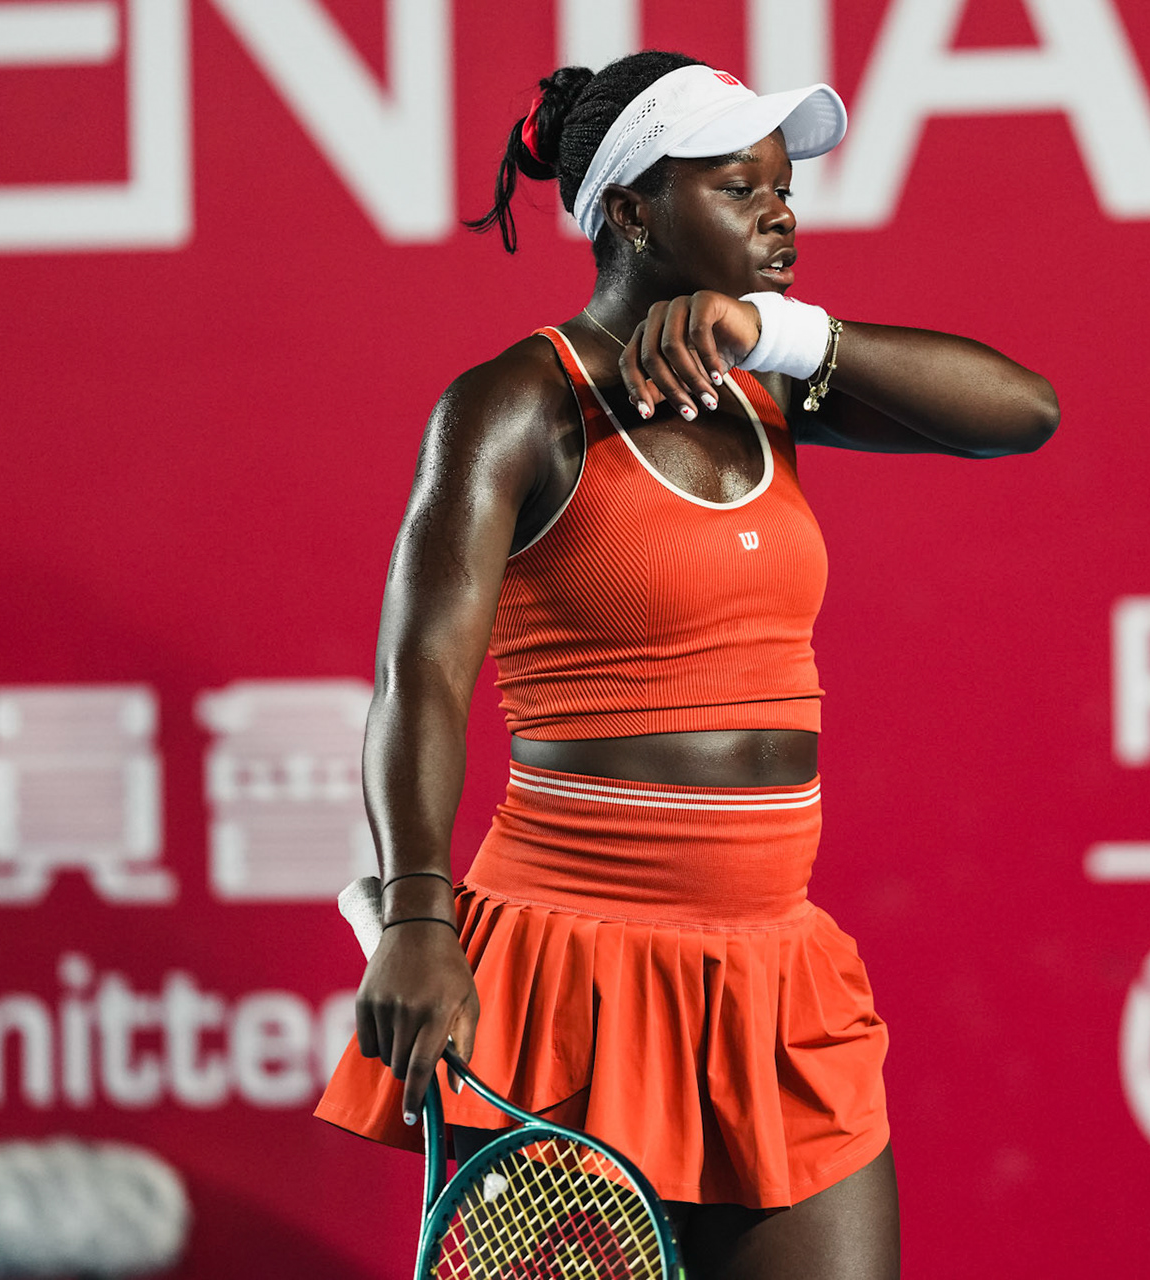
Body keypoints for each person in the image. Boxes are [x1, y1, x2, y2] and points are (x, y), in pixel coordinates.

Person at [314, 50, 1059, 1280]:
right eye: (737, 185)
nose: (781, 211)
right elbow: (420, 678)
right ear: (630, 210)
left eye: (784, 187)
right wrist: (415, 916)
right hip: (569, 971)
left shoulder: (768, 387)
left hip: (772, 972)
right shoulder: (513, 405)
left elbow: (1023, 411)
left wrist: (782, 330)